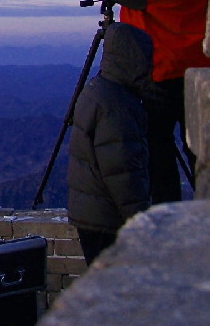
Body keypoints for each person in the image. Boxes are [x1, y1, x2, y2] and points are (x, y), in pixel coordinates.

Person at [79, 0, 210, 203]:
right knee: (199, 148)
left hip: (160, 73)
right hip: (200, 68)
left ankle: (167, 213)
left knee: (158, 147)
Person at [67, 22, 152, 266]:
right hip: (108, 220)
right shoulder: (117, 106)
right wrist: (141, 220)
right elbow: (122, 171)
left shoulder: (98, 88)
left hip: (92, 214)